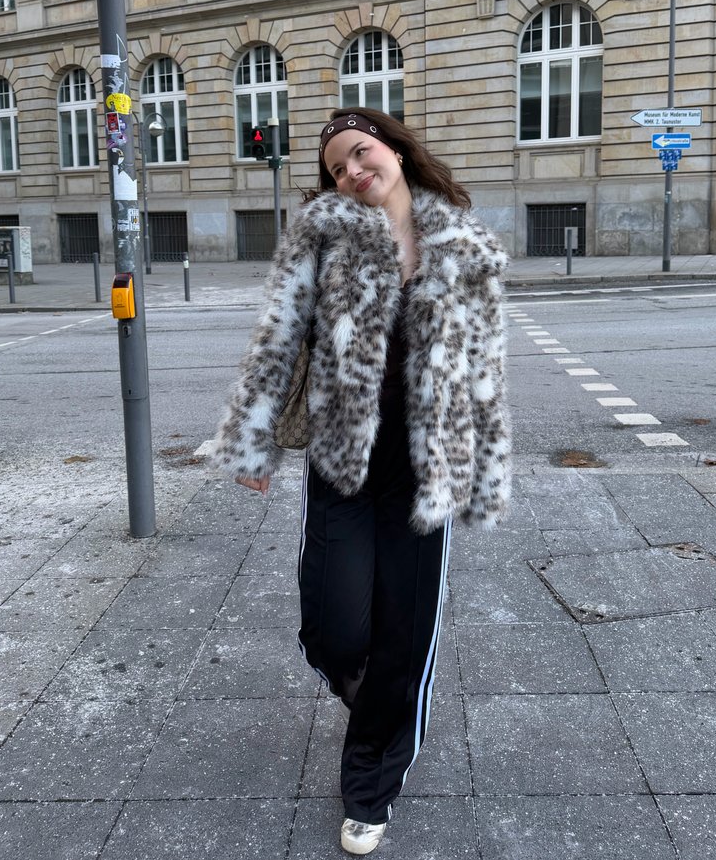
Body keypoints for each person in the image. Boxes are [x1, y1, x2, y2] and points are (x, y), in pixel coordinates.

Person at [212, 107, 511, 856]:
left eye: (360, 152)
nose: (351, 170)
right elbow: (278, 340)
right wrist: (252, 441)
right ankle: (386, 706)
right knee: (332, 627)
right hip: (340, 461)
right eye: (337, 167)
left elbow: (484, 362)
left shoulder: (461, 244)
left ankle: (371, 784)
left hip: (423, 468)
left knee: (404, 632)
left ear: (396, 151)